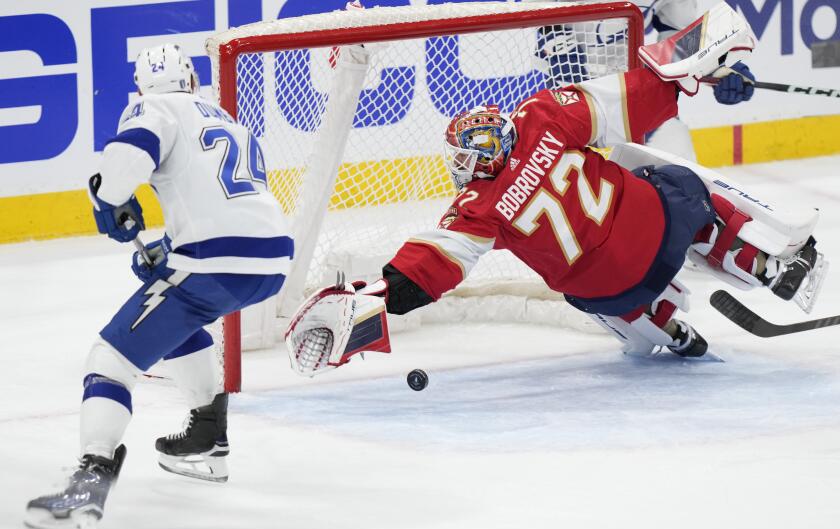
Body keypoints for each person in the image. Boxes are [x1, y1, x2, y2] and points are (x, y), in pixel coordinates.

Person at [284, 3, 825, 374]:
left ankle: (666, 327)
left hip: (606, 292)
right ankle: (763, 265)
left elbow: (424, 272)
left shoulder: (474, 211)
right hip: (645, 216)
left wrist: (370, 295)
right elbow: (635, 96)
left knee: (586, 285)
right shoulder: (540, 116)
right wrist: (697, 74)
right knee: (677, 186)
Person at [25, 44, 293, 529]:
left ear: (141, 85)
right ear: (192, 79)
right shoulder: (228, 119)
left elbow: (122, 166)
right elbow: (223, 201)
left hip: (215, 261)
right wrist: (167, 248)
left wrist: (109, 199)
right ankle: (208, 440)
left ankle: (89, 481)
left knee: (109, 358)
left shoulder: (153, 107)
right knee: (179, 313)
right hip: (273, 258)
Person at [529, 0, 756, 161]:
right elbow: (547, 36)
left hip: (635, 94)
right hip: (570, 105)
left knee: (682, 165)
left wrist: (719, 67)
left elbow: (681, 38)